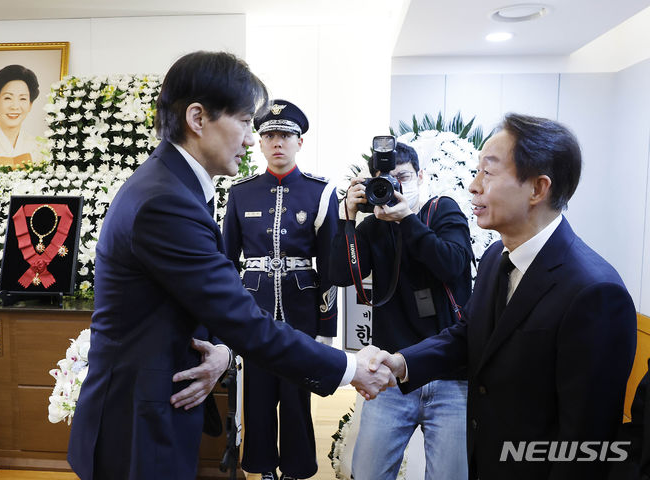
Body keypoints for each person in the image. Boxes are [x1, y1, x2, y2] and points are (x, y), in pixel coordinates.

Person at [66, 51, 395, 480]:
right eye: (244, 122)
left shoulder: (175, 186)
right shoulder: (166, 201)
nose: (250, 139)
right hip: (137, 419)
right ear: (198, 118)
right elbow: (239, 314)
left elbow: (203, 297)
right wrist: (351, 368)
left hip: (161, 402)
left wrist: (221, 348)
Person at [372, 113, 637, 479]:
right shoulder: (498, 256)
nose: (472, 186)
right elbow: (470, 334)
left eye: (487, 172)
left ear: (537, 189)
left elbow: (582, 444)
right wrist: (402, 362)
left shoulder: (595, 293)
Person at [329, 142, 473, 479]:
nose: (395, 189)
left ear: (421, 176)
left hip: (449, 374)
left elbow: (452, 265)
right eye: (385, 182)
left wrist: (408, 220)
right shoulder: (373, 226)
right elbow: (340, 275)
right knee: (369, 474)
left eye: (403, 178)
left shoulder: (442, 210)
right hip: (390, 374)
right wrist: (346, 220)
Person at [223, 99, 339, 480]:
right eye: (270, 135)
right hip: (253, 310)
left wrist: (326, 327)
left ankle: (296, 467)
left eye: (286, 135)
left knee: (295, 397)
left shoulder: (320, 192)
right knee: (257, 396)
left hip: (301, 313)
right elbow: (225, 261)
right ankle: (261, 466)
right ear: (259, 142)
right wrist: (226, 320)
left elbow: (331, 268)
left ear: (299, 142)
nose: (278, 142)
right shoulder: (241, 193)